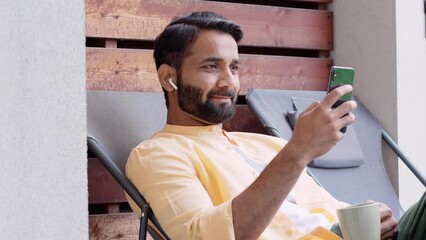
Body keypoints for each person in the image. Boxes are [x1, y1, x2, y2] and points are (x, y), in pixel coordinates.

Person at [125, 11, 399, 240]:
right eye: (211, 67)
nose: (229, 82)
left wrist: (369, 217)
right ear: (168, 78)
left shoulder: (267, 145)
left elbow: (326, 212)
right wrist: (298, 151)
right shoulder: (157, 155)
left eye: (234, 68)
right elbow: (202, 235)